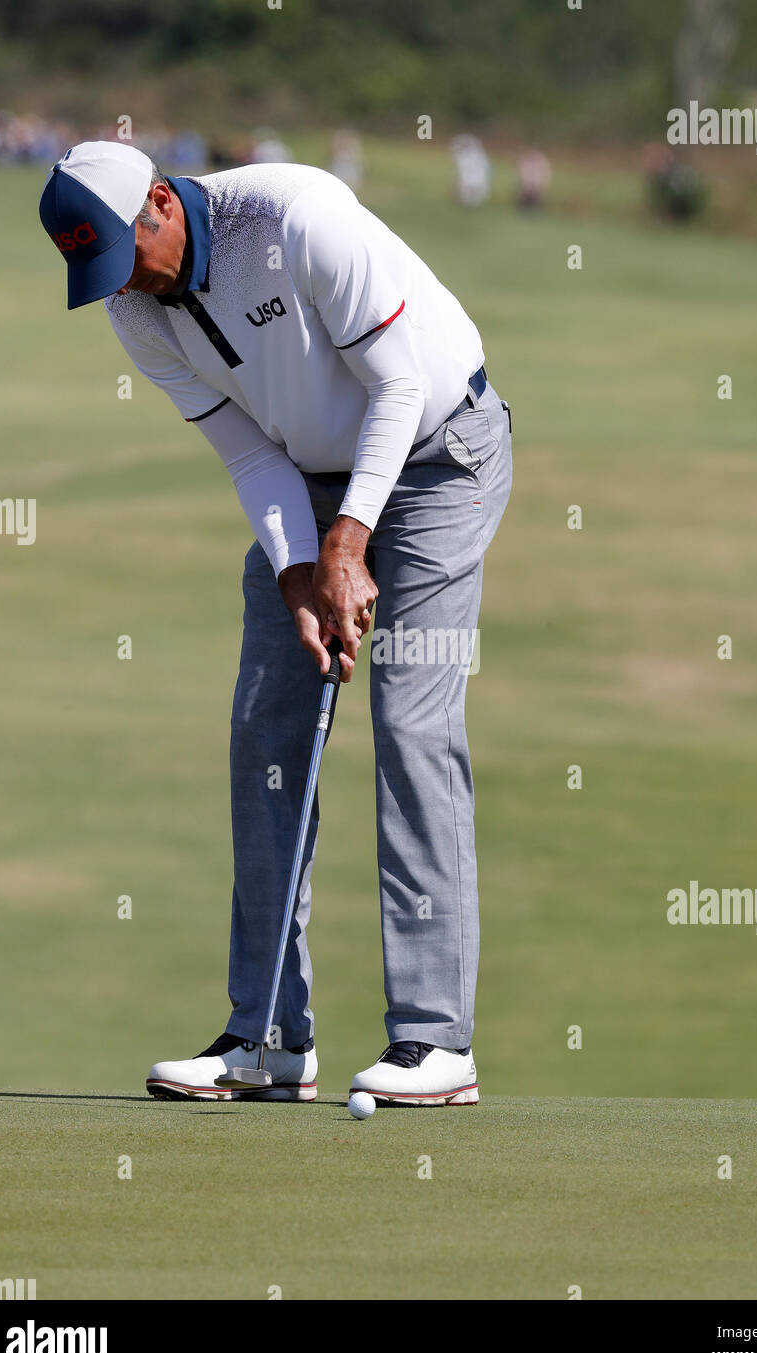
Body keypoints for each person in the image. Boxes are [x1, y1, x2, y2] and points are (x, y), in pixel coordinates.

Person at [38, 141, 512, 1106]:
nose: (129, 288)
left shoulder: (294, 216)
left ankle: (436, 1043)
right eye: (103, 276)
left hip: (438, 454)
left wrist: (349, 543)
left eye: (130, 257)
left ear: (162, 203)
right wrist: (303, 570)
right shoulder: (131, 307)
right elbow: (249, 456)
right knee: (265, 727)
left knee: (411, 724)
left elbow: (397, 388)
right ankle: (264, 1036)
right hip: (304, 481)